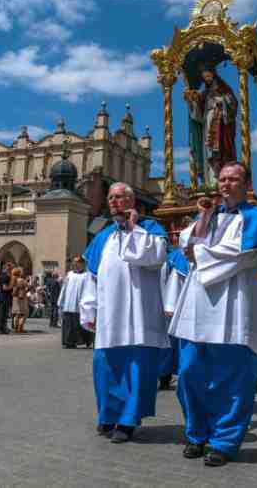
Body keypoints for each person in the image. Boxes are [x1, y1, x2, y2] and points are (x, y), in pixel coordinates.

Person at [168, 162, 257, 466]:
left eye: (233, 179)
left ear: (247, 185)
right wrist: (205, 216)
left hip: (235, 309)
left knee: (233, 380)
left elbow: (244, 255)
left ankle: (225, 441)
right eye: (222, 179)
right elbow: (186, 244)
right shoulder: (208, 217)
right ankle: (197, 434)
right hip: (198, 308)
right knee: (190, 374)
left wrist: (201, 253)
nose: (225, 184)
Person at [80, 182, 170, 444]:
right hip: (110, 315)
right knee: (105, 368)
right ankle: (108, 414)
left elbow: (152, 258)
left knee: (135, 368)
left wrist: (133, 229)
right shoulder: (102, 236)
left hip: (139, 315)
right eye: (111, 198)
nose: (114, 202)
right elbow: (92, 276)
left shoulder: (151, 229)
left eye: (120, 197)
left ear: (132, 201)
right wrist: (89, 307)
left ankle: (128, 420)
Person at [183, 65, 238, 188]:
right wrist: (193, 101)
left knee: (218, 151)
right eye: (204, 77)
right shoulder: (205, 93)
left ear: (213, 75)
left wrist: (221, 101)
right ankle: (211, 181)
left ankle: (221, 177)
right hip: (208, 122)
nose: (206, 79)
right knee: (208, 151)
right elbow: (198, 114)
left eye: (208, 76)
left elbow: (233, 103)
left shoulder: (224, 89)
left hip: (220, 124)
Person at [158, 248, 189, 390]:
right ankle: (165, 376)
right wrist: (169, 305)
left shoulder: (174, 256)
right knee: (169, 343)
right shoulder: (177, 257)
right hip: (175, 305)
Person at [57, 257, 90, 349]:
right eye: (74, 263)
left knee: (78, 323)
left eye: (77, 263)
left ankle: (82, 341)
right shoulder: (70, 274)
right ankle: (68, 342)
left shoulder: (87, 275)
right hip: (68, 303)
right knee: (68, 324)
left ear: (82, 264)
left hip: (80, 303)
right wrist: (60, 300)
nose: (75, 265)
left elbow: (89, 289)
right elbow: (64, 287)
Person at [0, 262, 14, 334]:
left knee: (1, 313)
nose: (11, 270)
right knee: (3, 313)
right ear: (7, 268)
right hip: (4, 297)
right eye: (11, 268)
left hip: (1, 296)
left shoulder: (0, 276)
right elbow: (5, 288)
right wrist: (12, 286)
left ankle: (0, 329)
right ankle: (1, 329)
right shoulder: (5, 277)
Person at [10, 267, 29, 333]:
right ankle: (20, 327)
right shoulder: (22, 280)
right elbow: (28, 287)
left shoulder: (13, 279)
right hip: (22, 298)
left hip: (15, 297)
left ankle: (15, 328)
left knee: (16, 314)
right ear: (19, 273)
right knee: (25, 313)